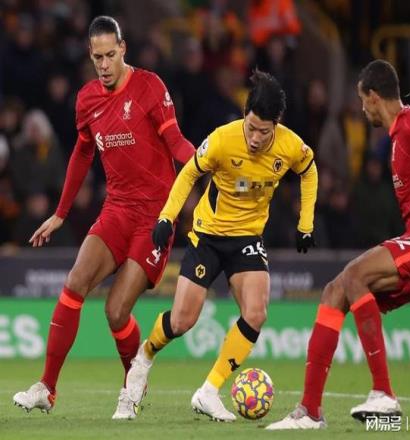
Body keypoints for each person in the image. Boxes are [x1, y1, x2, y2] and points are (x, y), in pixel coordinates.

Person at [266, 59, 410, 430]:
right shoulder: (398, 137)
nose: (361, 108)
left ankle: (384, 393)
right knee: (335, 291)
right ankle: (309, 411)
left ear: (373, 96)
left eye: (361, 100)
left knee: (354, 276)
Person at [12, 16, 195, 419]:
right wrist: (61, 213)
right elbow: (82, 153)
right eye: (98, 58)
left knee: (115, 311)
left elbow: (175, 141)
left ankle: (132, 384)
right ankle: (47, 388)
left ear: (123, 49)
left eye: (111, 55)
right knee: (74, 282)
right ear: (90, 56)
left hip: (155, 215)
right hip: (116, 208)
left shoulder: (150, 86)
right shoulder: (87, 99)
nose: (105, 65)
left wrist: (206, 161)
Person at [125, 69, 318, 422]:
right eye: (251, 127)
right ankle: (145, 356)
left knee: (256, 313)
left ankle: (209, 391)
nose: (255, 138)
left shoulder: (290, 145)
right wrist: (167, 217)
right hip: (208, 237)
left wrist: (305, 223)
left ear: (276, 125)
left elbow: (309, 169)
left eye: (264, 131)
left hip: (247, 239)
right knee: (182, 321)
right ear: (244, 115)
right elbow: (189, 173)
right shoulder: (222, 140)